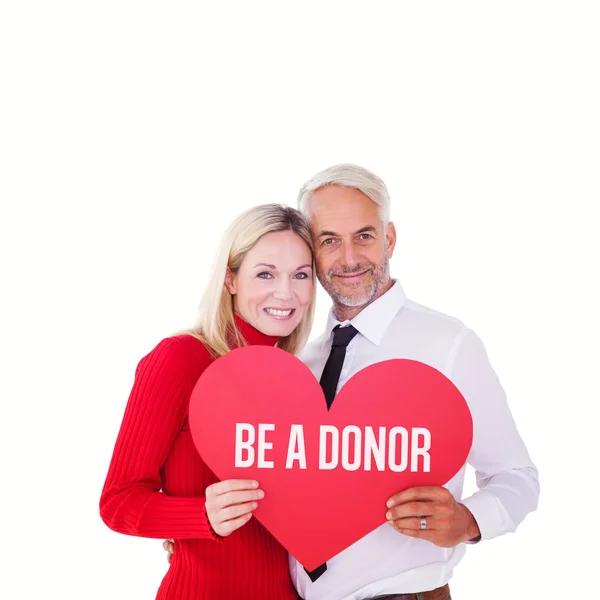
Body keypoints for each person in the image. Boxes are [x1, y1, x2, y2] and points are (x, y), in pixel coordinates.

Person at [164, 164, 540, 600]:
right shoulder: (297, 362)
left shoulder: (448, 344)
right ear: (311, 252)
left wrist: (470, 520)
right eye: (329, 241)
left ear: (390, 239)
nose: (348, 258)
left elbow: (517, 475)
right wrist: (187, 527)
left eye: (363, 235)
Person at [100, 204, 316, 600]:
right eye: (265, 274)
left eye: (301, 275)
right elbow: (118, 501)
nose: (285, 293)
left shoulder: (301, 382)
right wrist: (201, 516)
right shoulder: (181, 359)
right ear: (230, 279)